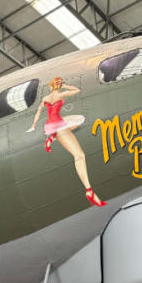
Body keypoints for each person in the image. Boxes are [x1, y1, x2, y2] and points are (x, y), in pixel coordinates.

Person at [28, 77, 106, 207]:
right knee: (79, 155)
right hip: (59, 125)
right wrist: (66, 86)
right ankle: (89, 191)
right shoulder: (61, 94)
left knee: (76, 123)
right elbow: (77, 90)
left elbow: (39, 112)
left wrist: (33, 126)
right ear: (58, 86)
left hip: (51, 125)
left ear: (51, 87)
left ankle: (51, 138)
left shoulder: (45, 99)